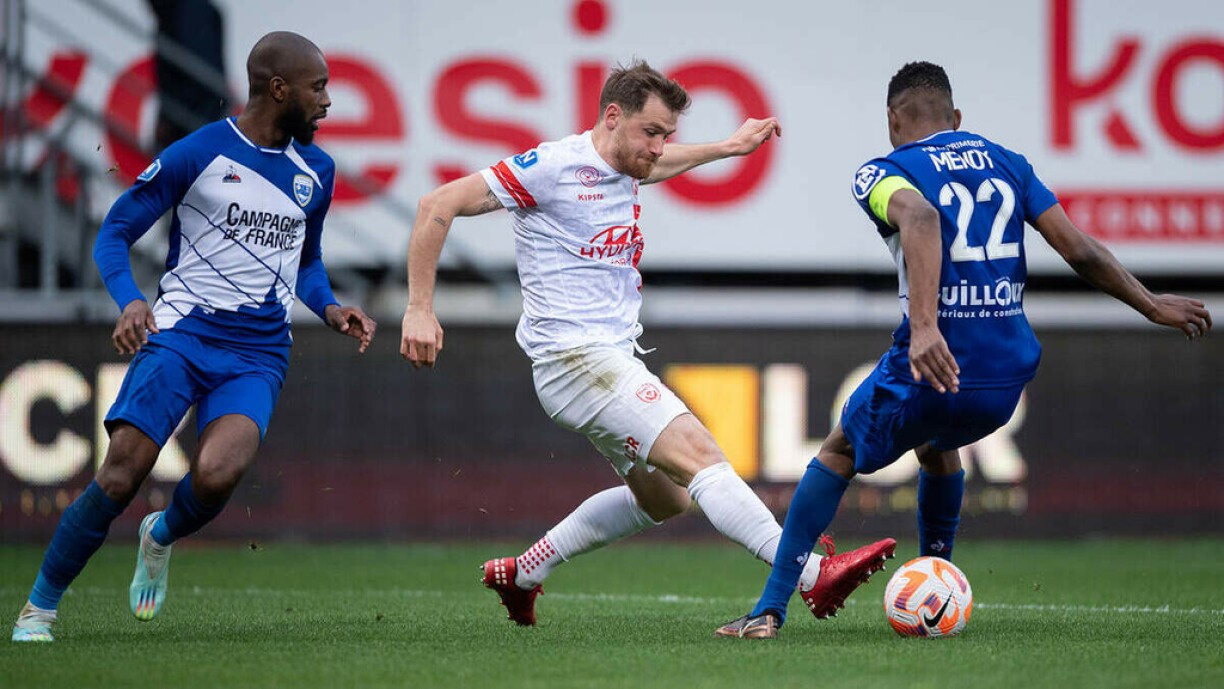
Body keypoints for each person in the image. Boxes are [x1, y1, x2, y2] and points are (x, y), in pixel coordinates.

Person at [715, 61, 1212, 640]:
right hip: (1003, 382)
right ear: (956, 118)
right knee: (935, 442)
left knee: (838, 451)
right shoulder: (1009, 163)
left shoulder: (883, 171)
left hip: (932, 364)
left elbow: (921, 218)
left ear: (893, 120)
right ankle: (939, 577)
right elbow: (1076, 249)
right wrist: (1150, 303)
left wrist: (925, 328)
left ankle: (769, 609)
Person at [401, 60, 894, 627]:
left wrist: (729, 148)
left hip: (601, 360)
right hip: (577, 360)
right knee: (702, 456)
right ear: (613, 116)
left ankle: (525, 571)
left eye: (667, 135)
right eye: (652, 132)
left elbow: (662, 166)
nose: (660, 148)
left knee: (667, 499)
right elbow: (436, 205)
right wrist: (419, 307)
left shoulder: (629, 163)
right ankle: (810, 575)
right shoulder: (553, 167)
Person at [11, 31, 376, 643]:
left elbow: (304, 261)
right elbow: (115, 233)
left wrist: (331, 306)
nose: (328, 102)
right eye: (318, 89)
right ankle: (39, 609)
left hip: (258, 352)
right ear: (278, 89)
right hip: (182, 334)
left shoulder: (317, 169)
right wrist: (130, 301)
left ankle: (160, 535)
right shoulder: (198, 152)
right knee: (121, 474)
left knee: (215, 476)